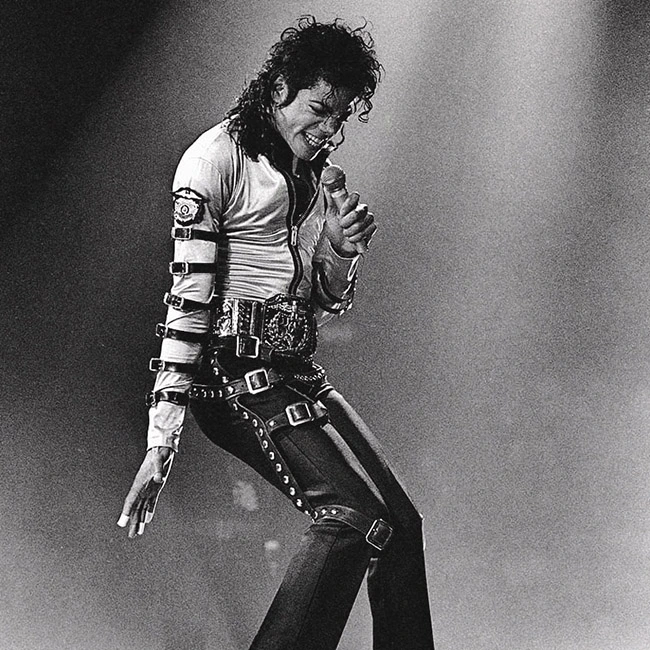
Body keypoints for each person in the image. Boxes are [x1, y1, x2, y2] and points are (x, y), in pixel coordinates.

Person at [118, 16, 435, 650]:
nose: (330, 131)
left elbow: (318, 302)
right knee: (351, 516)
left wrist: (339, 250)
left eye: (341, 118)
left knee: (400, 525)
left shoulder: (312, 173)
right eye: (320, 110)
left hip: (294, 371)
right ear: (280, 88)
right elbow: (186, 306)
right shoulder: (213, 161)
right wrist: (162, 440)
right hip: (232, 379)